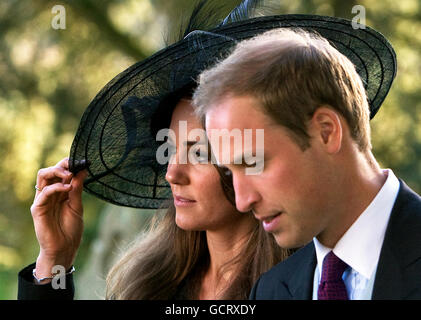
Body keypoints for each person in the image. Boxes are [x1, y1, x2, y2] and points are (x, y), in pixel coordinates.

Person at [17, 0, 290, 300]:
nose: (172, 173)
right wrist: (55, 258)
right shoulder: (147, 282)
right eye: (170, 149)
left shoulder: (304, 283)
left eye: (198, 153)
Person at [193, 27, 421, 300]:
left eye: (254, 162)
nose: (242, 201)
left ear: (326, 131)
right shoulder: (269, 291)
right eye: (230, 172)